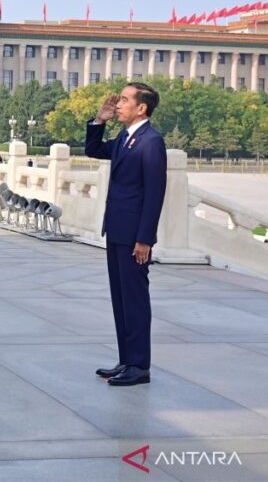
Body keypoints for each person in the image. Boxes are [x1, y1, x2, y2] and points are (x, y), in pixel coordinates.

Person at [85, 83, 167, 387]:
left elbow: (155, 193)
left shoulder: (151, 141)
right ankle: (126, 360)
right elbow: (94, 150)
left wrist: (144, 239)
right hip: (117, 229)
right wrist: (100, 121)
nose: (117, 103)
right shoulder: (126, 137)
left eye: (123, 100)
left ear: (141, 108)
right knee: (120, 299)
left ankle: (139, 366)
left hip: (134, 236)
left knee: (134, 300)